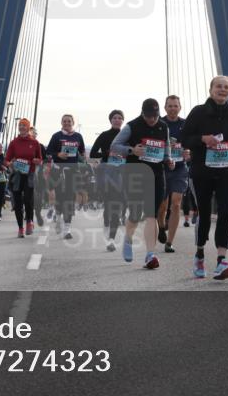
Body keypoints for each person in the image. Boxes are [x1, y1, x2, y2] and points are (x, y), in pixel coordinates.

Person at [180, 77, 228, 280]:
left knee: (226, 212)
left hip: (227, 170)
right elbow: (184, 138)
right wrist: (202, 139)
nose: (222, 90)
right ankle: (199, 253)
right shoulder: (199, 111)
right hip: (202, 171)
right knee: (205, 214)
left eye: (226, 87)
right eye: (219, 86)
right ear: (210, 89)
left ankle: (221, 260)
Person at [111, 99, 173, 269]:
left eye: (155, 116)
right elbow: (114, 146)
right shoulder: (132, 126)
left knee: (152, 215)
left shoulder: (163, 126)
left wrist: (168, 159)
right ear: (142, 113)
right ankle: (128, 240)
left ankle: (150, 254)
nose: (152, 120)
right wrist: (132, 150)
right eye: (148, 116)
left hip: (157, 175)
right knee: (136, 213)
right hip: (135, 175)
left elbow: (166, 146)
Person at [89, 110, 126, 251]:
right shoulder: (104, 136)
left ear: (123, 120)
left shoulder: (127, 136)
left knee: (117, 206)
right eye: (114, 118)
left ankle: (111, 239)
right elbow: (93, 153)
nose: (117, 120)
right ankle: (107, 230)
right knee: (109, 205)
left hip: (122, 174)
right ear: (110, 120)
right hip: (106, 174)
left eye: (120, 118)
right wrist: (107, 153)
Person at [45, 114, 86, 239]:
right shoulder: (56, 136)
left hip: (72, 171)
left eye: (69, 121)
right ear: (61, 122)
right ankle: (57, 218)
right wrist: (58, 155)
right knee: (60, 198)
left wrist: (82, 158)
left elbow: (82, 151)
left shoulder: (78, 136)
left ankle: (67, 229)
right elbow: (48, 152)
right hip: (58, 171)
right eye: (64, 121)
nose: (67, 123)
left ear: (73, 122)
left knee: (69, 199)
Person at [157, 95, 189, 253]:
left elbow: (192, 143)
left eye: (175, 106)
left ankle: (170, 242)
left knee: (176, 203)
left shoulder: (186, 125)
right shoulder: (159, 124)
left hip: (180, 169)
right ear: (165, 108)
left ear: (180, 107)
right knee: (162, 206)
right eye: (169, 106)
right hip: (162, 169)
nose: (172, 108)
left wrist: (189, 151)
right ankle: (161, 227)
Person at [5, 119, 44, 237]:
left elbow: (40, 159)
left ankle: (29, 222)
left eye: (24, 125)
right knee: (17, 202)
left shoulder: (35, 143)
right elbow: (6, 159)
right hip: (17, 175)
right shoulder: (14, 142)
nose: (21, 127)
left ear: (28, 128)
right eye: (20, 125)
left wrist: (37, 161)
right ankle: (20, 228)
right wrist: (9, 164)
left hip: (30, 174)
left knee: (28, 199)